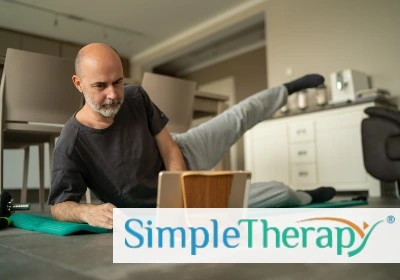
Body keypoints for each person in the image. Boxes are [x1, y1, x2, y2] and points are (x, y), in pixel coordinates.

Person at [48, 43, 335, 229]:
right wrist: (87, 212)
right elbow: (59, 206)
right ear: (78, 83)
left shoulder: (135, 97)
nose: (112, 94)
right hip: (160, 206)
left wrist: (180, 186)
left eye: (118, 82)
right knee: (280, 193)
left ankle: (287, 89)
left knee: (237, 116)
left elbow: (168, 146)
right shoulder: (71, 144)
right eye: (100, 86)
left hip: (182, 155)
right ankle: (308, 196)